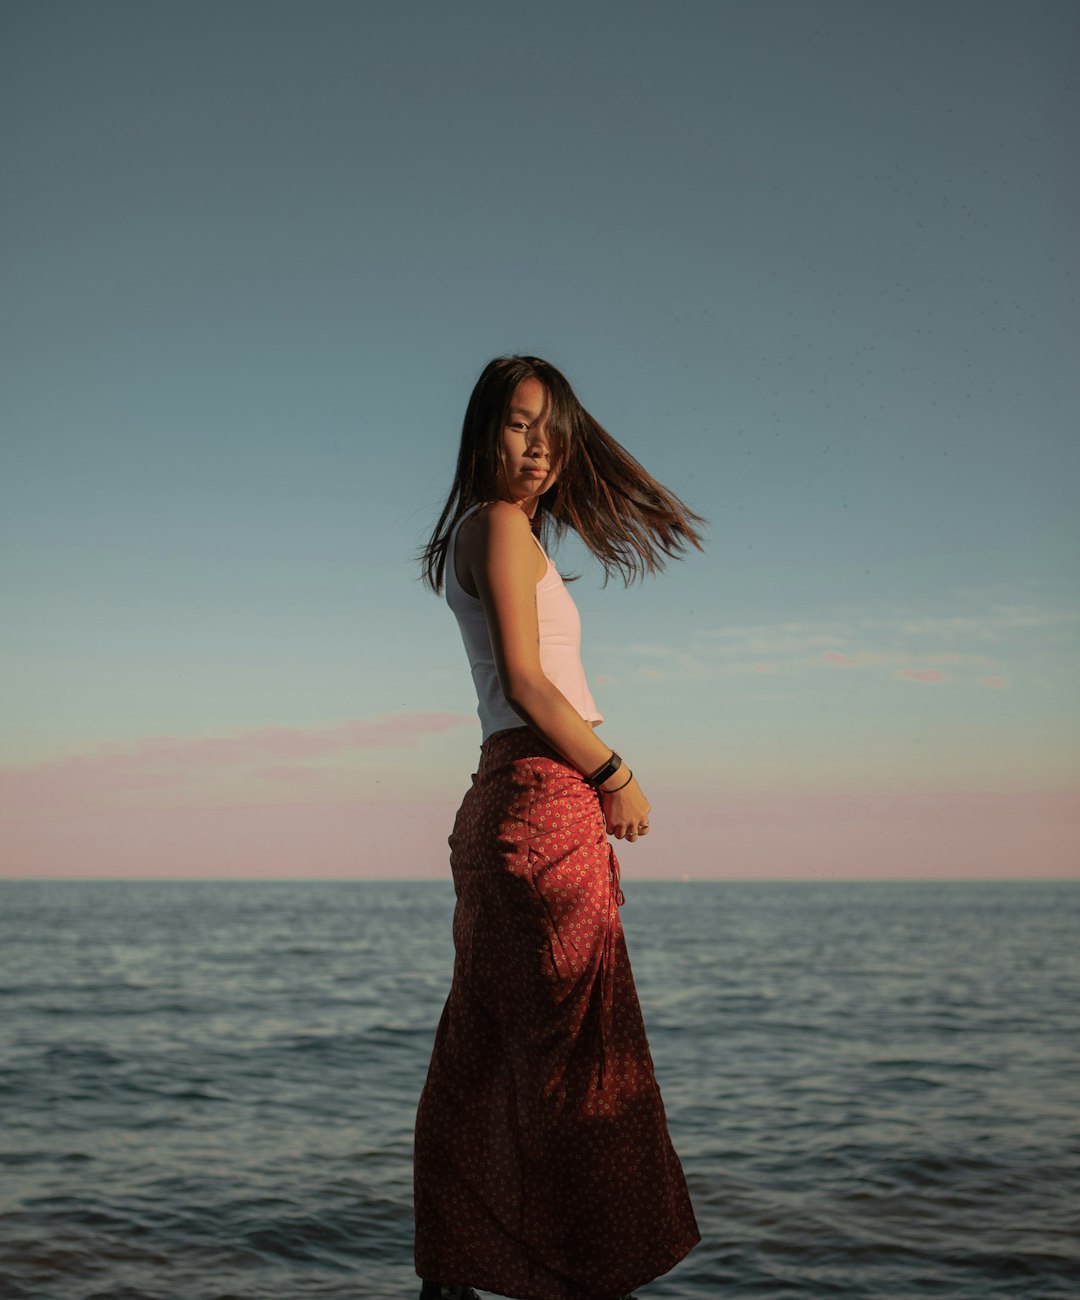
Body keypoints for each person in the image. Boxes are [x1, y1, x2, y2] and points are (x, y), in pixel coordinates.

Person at [413, 356, 704, 1300]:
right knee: (583, 1073)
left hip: (507, 799)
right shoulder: (496, 526)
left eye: (550, 428)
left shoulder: (503, 533)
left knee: (490, 1049)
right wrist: (616, 775)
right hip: (543, 796)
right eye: (516, 424)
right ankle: (574, 1275)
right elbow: (531, 683)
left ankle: (456, 1274)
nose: (536, 446)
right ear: (482, 433)